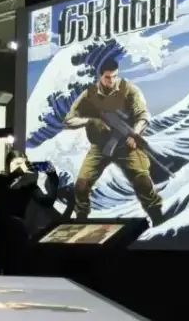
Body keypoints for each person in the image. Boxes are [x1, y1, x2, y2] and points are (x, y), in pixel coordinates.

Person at [63, 57, 164, 225]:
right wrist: (89, 121)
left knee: (143, 182)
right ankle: (81, 221)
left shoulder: (129, 89)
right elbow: (68, 120)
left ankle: (158, 218)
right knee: (81, 185)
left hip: (126, 144)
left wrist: (134, 134)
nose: (111, 81)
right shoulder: (89, 94)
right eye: (107, 77)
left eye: (115, 76)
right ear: (100, 75)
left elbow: (143, 115)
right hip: (100, 147)